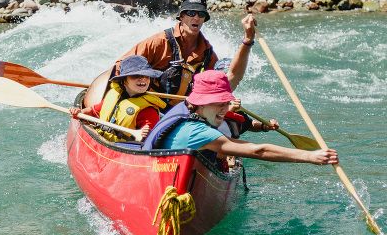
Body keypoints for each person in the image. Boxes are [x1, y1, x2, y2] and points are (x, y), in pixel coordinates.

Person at [82, 0, 257, 108]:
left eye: (201, 14)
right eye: (190, 13)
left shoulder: (207, 53)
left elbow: (223, 84)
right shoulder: (159, 42)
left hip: (182, 110)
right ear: (181, 16)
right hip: (148, 104)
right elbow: (122, 65)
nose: (196, 17)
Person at [142, 71, 338, 167]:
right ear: (201, 103)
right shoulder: (199, 133)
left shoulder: (182, 108)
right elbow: (258, 151)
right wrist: (310, 156)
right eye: (219, 103)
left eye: (227, 103)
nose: (225, 109)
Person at [69, 55, 165, 142]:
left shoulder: (148, 110)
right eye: (136, 76)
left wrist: (145, 133)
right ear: (124, 82)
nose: (143, 79)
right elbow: (94, 111)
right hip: (100, 138)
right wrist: (79, 113)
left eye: (147, 76)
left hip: (122, 146)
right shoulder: (113, 95)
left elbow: (150, 139)